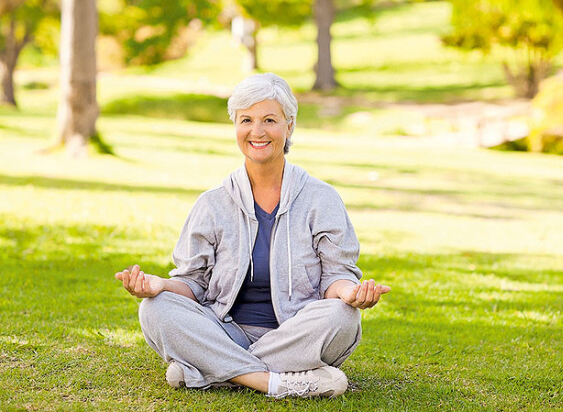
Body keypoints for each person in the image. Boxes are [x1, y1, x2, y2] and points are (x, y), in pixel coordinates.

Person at [114, 72, 390, 399]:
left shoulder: (321, 199)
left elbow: (335, 276)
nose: (257, 132)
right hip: (224, 330)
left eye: (269, 120)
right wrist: (162, 285)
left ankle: (206, 369)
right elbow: (194, 282)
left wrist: (351, 293)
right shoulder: (212, 203)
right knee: (154, 308)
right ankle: (272, 381)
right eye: (246, 120)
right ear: (235, 126)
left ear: (289, 126)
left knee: (343, 316)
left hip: (295, 334)